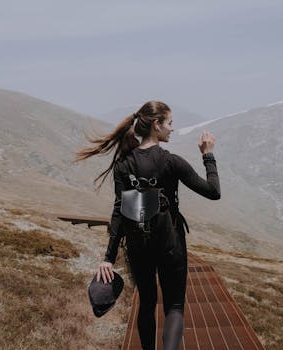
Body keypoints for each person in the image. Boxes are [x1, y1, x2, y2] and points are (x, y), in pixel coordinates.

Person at [74, 101, 220, 350]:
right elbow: (213, 192)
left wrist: (108, 257)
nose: (172, 129)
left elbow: (120, 210)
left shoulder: (123, 164)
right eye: (170, 123)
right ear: (156, 124)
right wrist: (208, 155)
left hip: (138, 246)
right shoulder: (171, 162)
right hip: (171, 243)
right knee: (174, 306)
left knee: (147, 303)